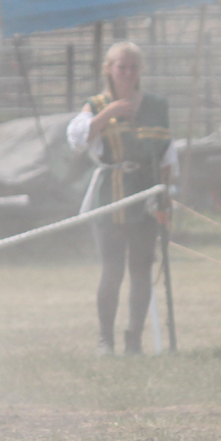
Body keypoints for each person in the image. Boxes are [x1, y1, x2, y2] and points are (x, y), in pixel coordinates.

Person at [67, 42, 178, 355]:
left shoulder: (156, 105)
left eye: (133, 67)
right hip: (111, 195)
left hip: (148, 194)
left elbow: (168, 156)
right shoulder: (97, 104)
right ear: (109, 69)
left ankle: (134, 339)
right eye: (121, 67)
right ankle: (106, 339)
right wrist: (109, 113)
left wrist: (165, 197)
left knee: (141, 268)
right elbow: (78, 140)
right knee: (112, 269)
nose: (128, 73)